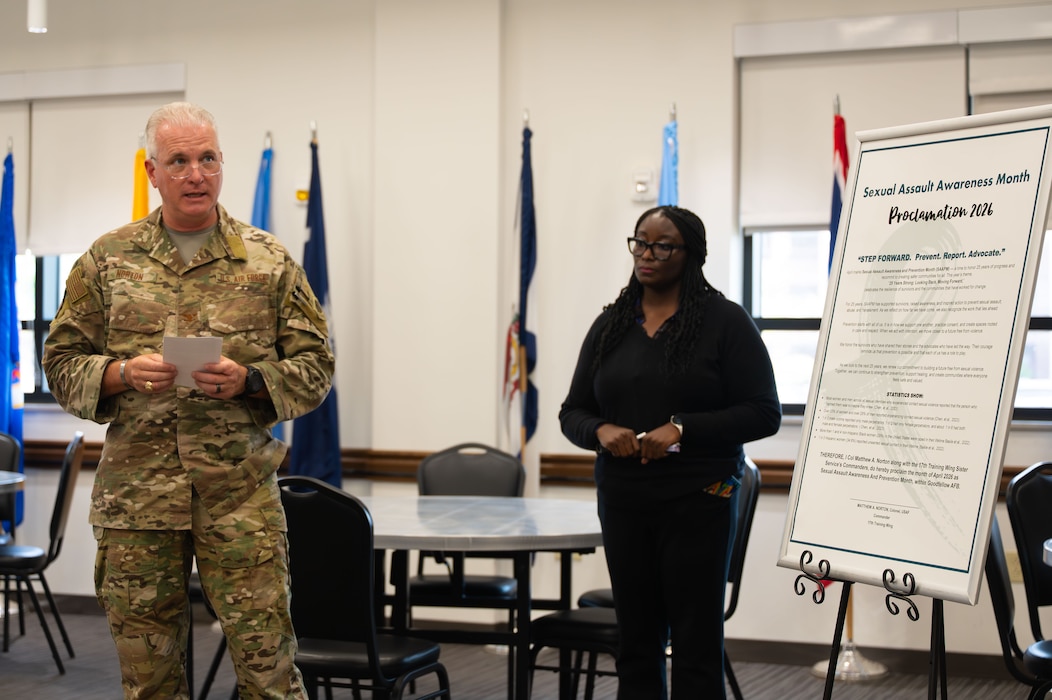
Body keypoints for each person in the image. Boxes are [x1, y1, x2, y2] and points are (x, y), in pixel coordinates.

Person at [42, 102, 334, 699]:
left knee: (270, 676)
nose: (196, 174)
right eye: (179, 161)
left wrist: (250, 382)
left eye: (207, 158)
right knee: (150, 685)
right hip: (138, 503)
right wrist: (121, 373)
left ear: (222, 164)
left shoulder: (269, 261)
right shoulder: (107, 260)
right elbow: (61, 364)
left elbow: (316, 368)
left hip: (240, 499)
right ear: (153, 173)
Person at [559, 205, 781, 699]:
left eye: (663, 246)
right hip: (624, 500)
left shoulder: (725, 322)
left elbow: (764, 412)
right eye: (640, 242)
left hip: (700, 498)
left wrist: (683, 428)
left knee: (695, 643)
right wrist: (599, 431)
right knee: (636, 642)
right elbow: (572, 412)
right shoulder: (611, 325)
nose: (648, 254)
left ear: (691, 254)